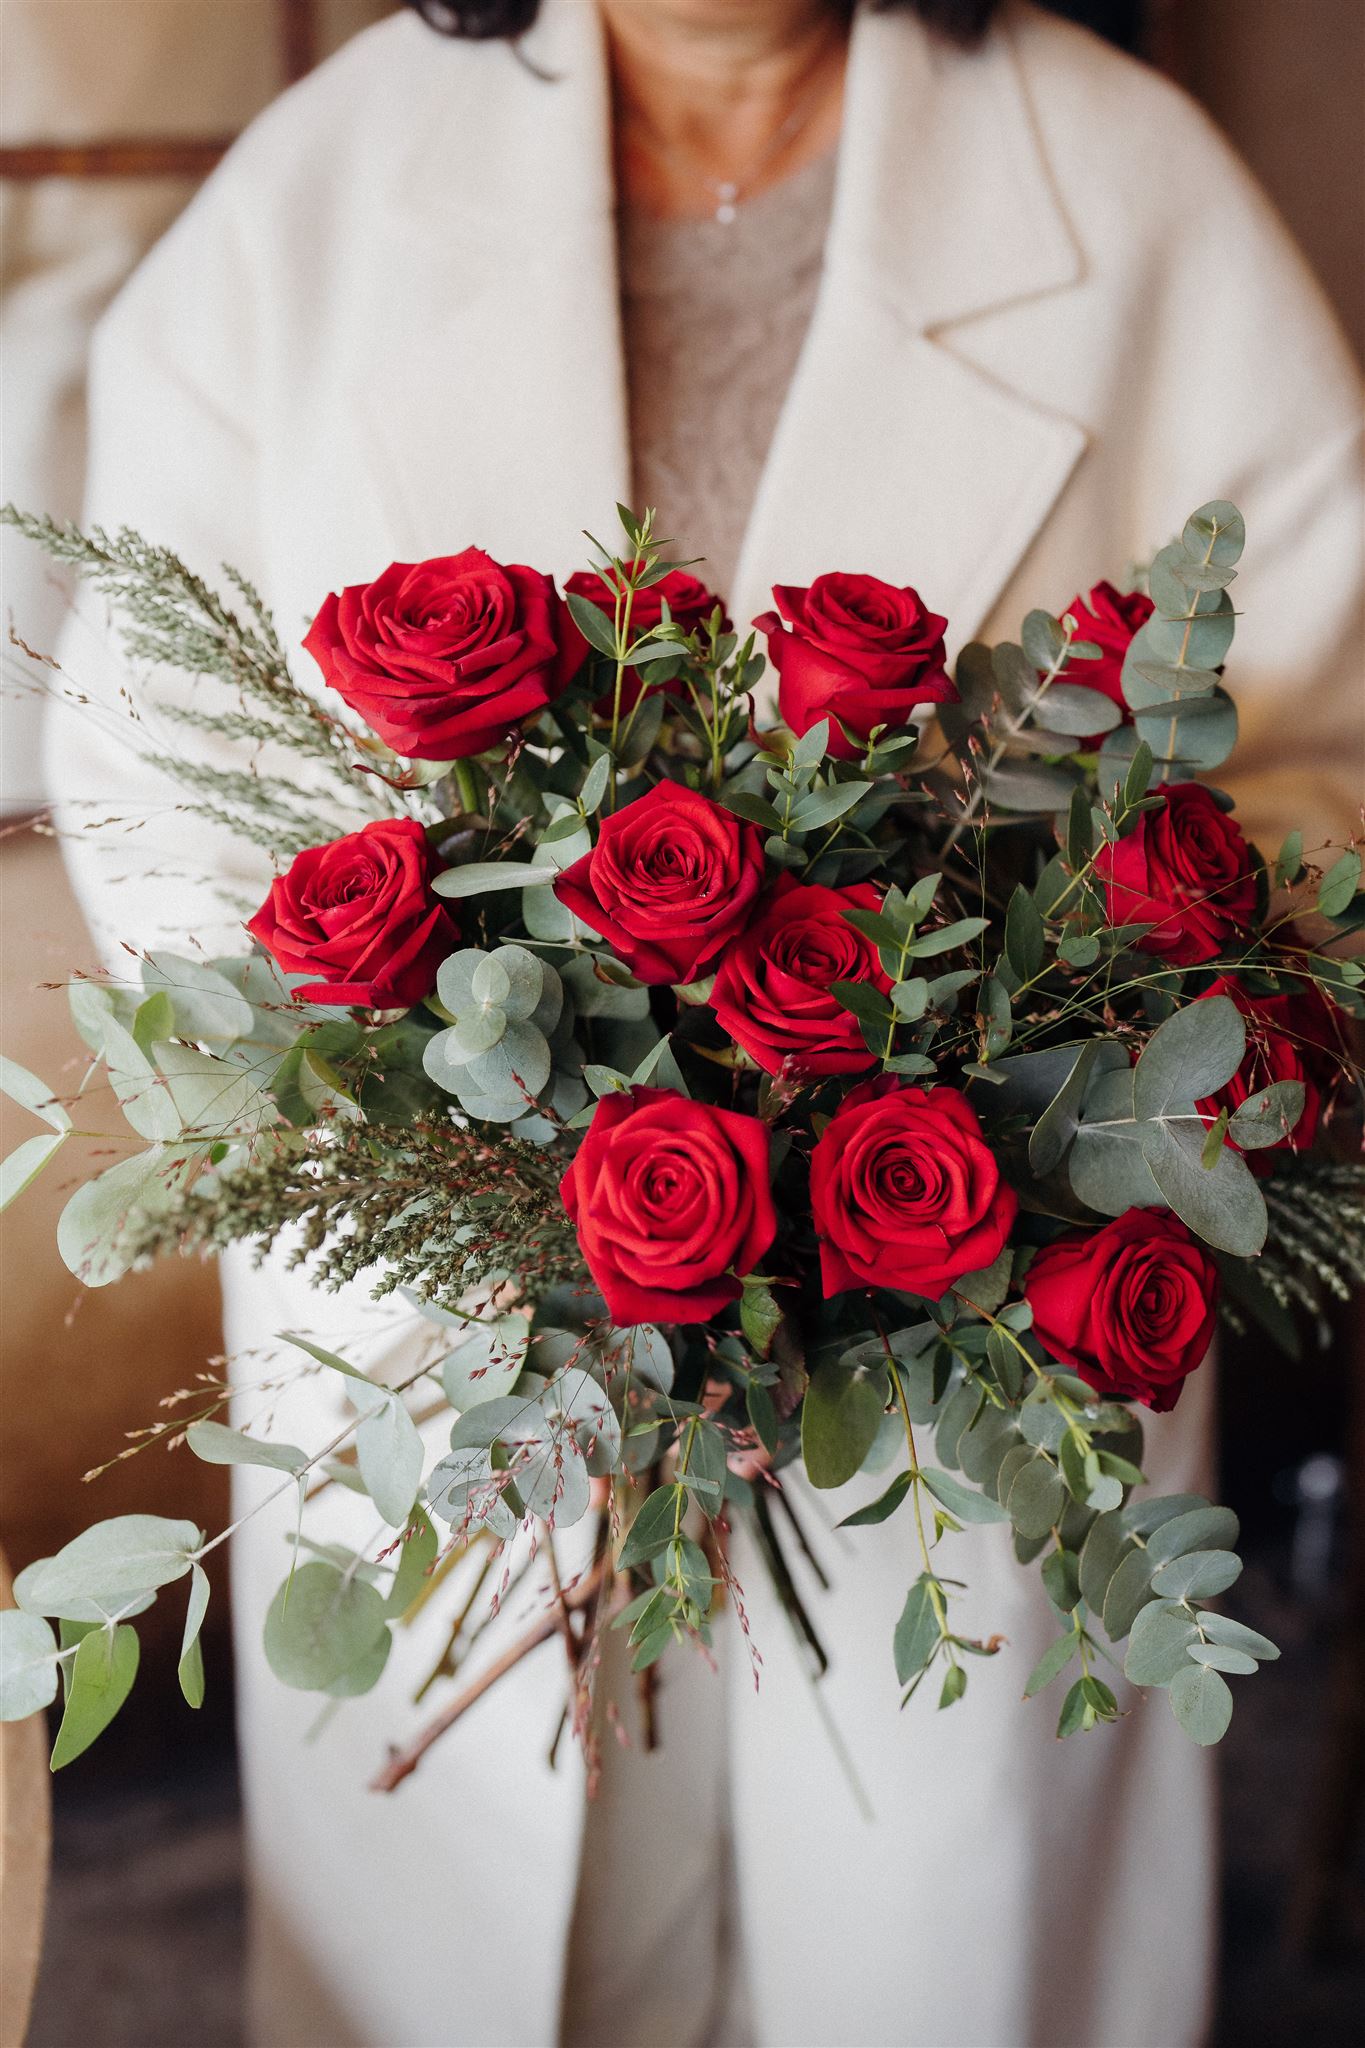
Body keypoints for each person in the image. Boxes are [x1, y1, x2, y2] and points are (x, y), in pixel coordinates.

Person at [44, 2, 1363, 2044]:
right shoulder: (317, 193)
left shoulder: (1127, 188)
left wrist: (1051, 1029)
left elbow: (1322, 771)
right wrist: (441, 1120)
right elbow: (146, 770)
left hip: (964, 1355)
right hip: (463, 1351)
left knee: (933, 1949)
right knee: (492, 1963)